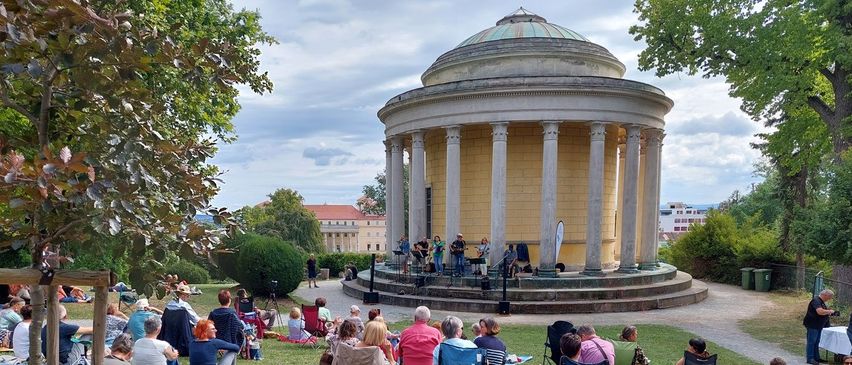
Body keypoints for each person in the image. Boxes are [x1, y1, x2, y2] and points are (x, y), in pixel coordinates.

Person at [803, 289, 836, 365]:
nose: (829, 298)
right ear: (825, 295)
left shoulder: (822, 302)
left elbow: (822, 312)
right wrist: (829, 311)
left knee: (817, 342)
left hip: (818, 325)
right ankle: (810, 358)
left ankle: (816, 358)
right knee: (812, 342)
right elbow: (820, 311)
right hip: (813, 325)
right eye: (829, 297)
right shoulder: (816, 300)